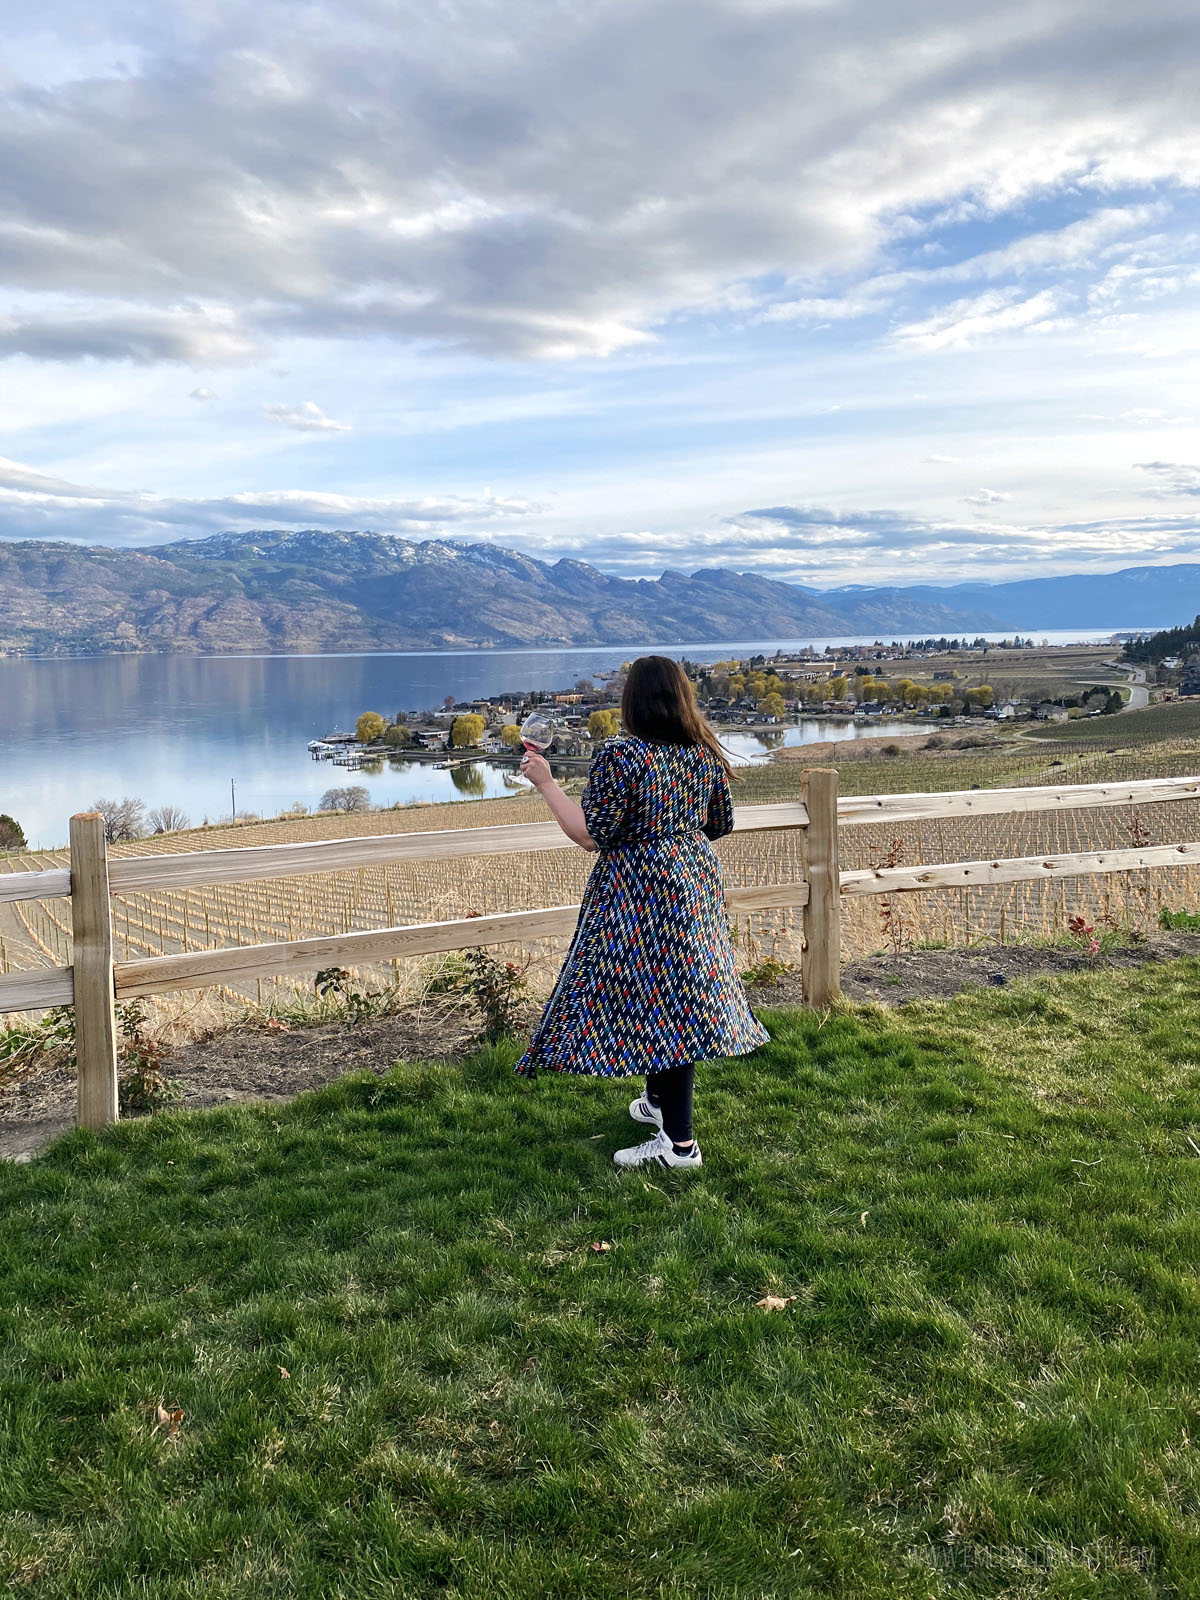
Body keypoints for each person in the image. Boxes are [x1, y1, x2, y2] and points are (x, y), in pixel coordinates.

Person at [513, 654, 770, 1170]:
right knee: (674, 997)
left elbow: (590, 835)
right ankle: (658, 1105)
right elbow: (720, 823)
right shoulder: (703, 750)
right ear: (682, 698)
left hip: (640, 893)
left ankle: (679, 1147)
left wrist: (545, 782)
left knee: (664, 1006)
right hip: (693, 882)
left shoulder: (622, 754)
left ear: (631, 699)